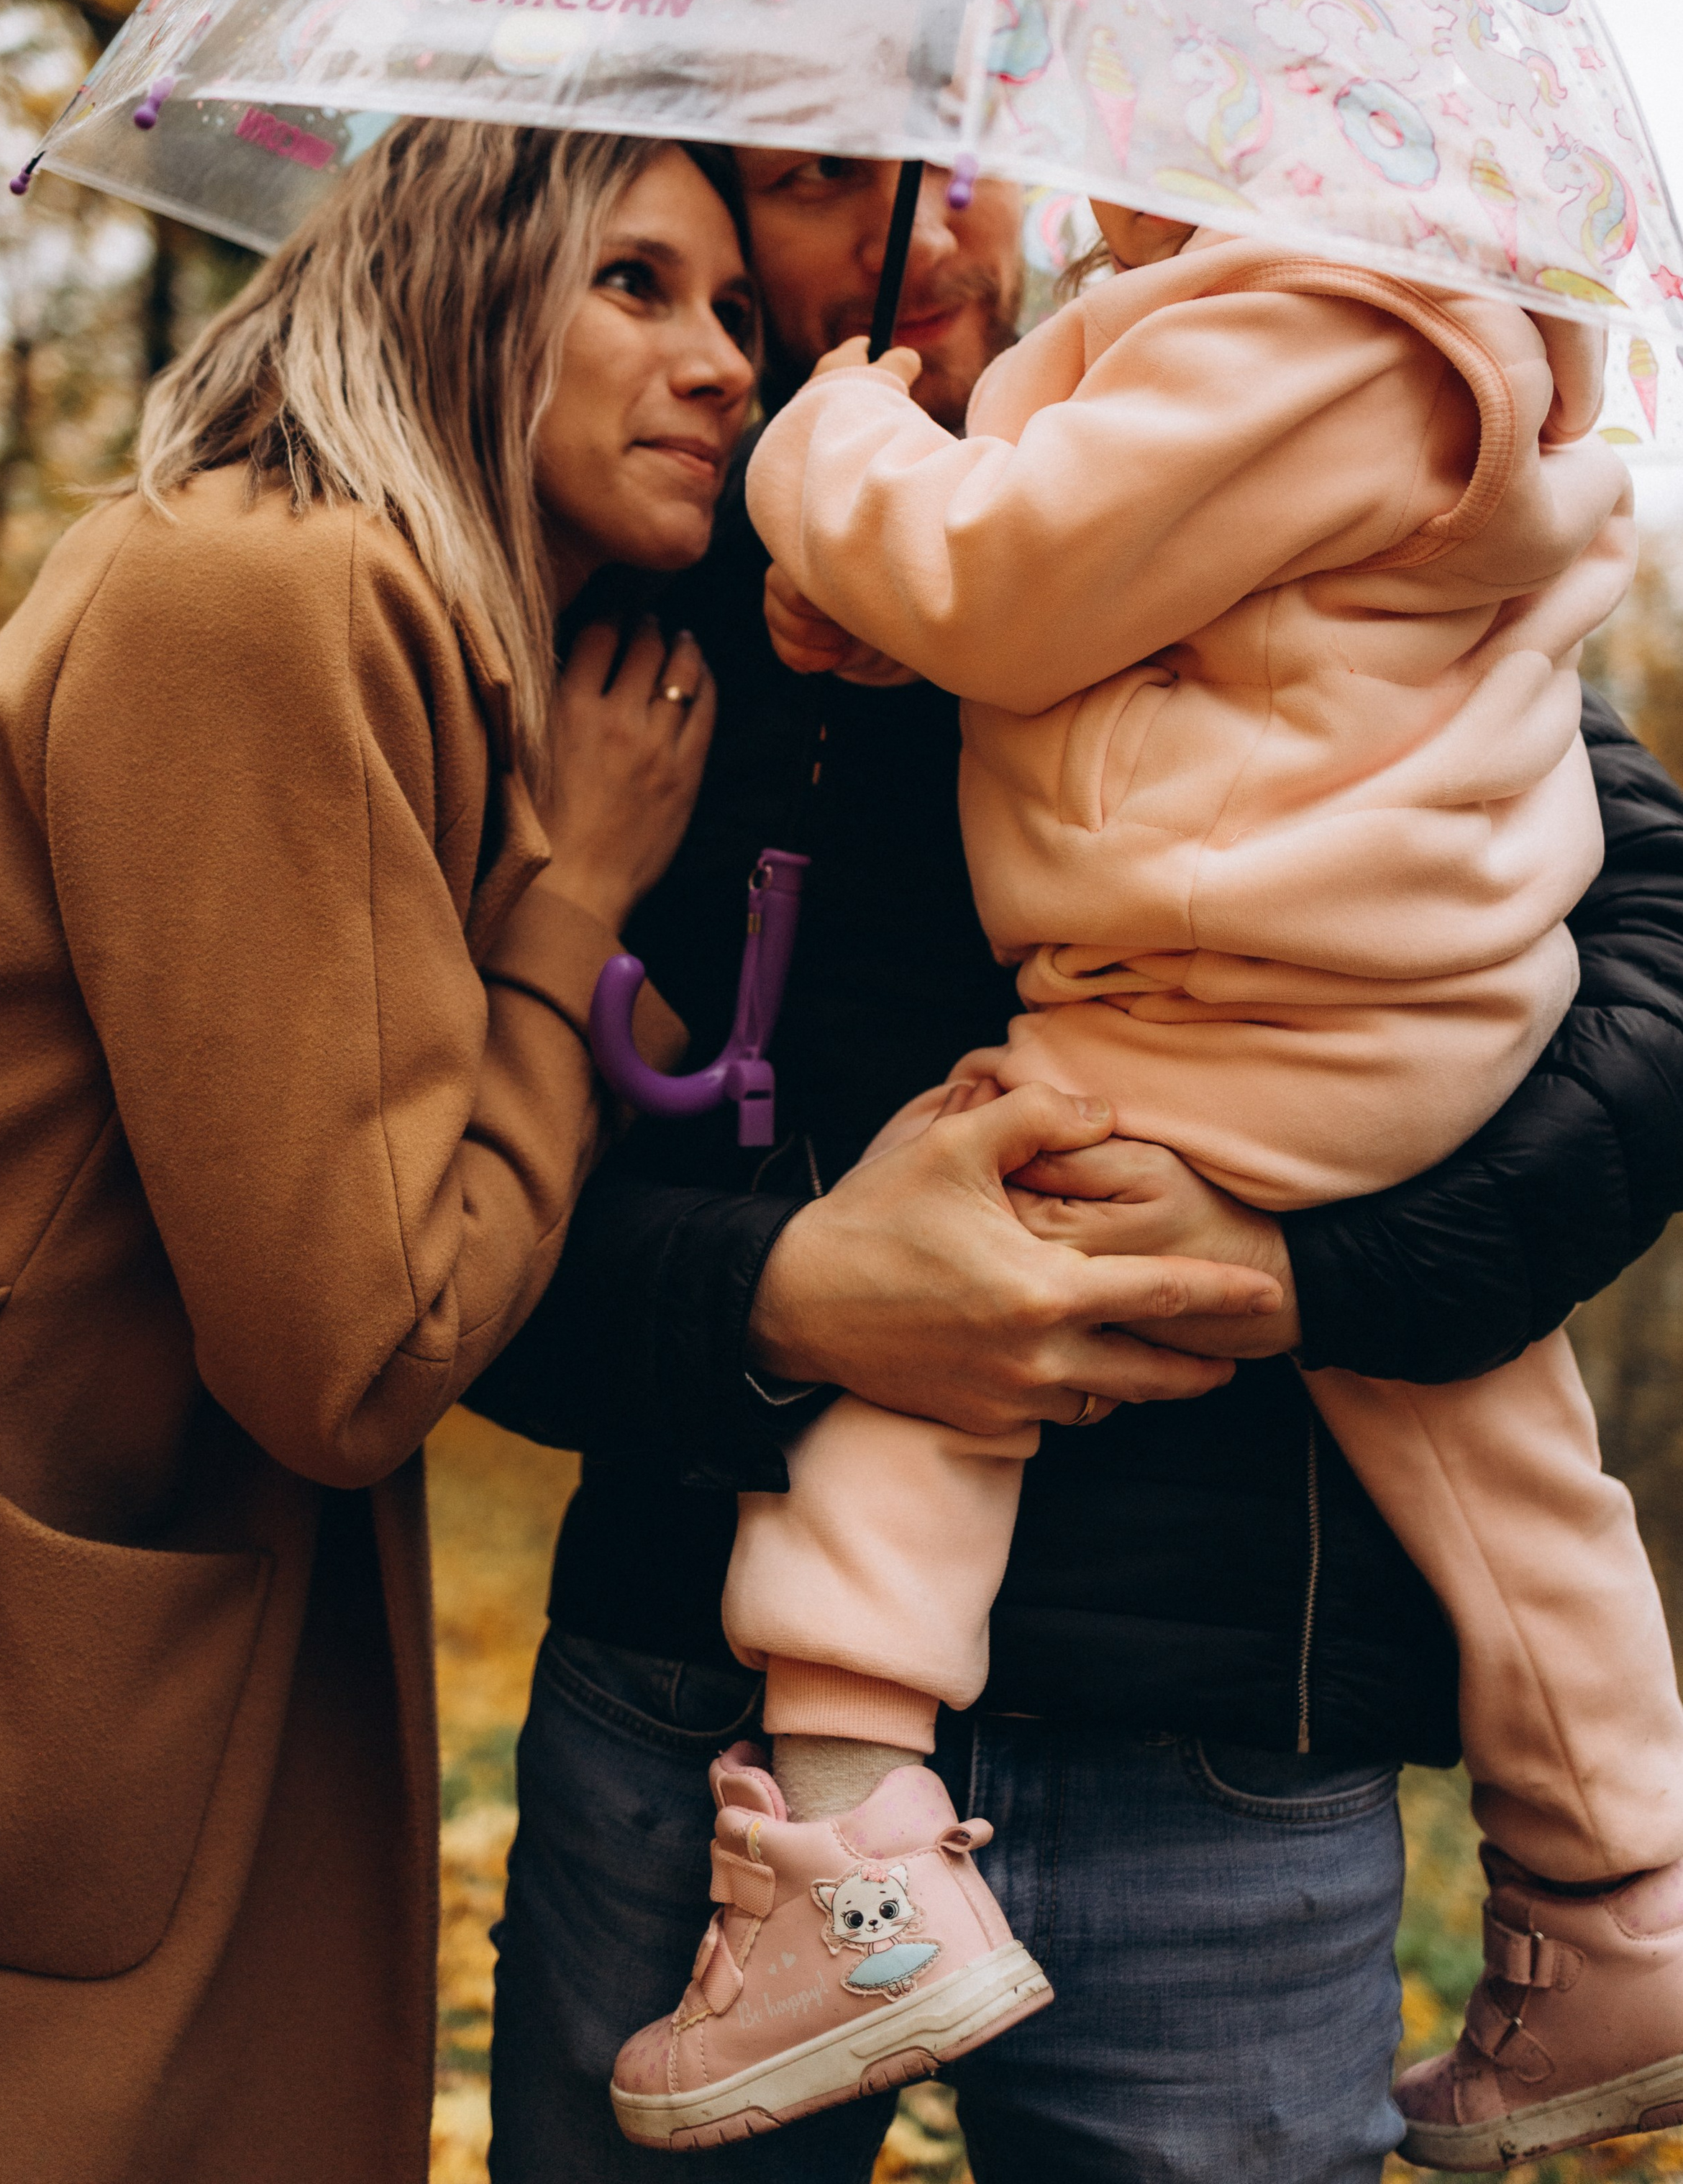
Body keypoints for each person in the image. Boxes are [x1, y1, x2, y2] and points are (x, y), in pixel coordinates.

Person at [473, 151, 1683, 2183]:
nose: (929, 229)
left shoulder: (1298, 498)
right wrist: (786, 1300)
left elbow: (1642, 1003)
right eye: (817, 186)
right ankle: (1615, 1892)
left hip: (1229, 1728)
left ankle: (1616, 1904)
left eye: (967, 176)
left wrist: (1321, 1274)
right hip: (698, 1704)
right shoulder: (625, 621)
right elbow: (435, 1235)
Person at [0, 117, 758, 2184]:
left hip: (75, 1590)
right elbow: (359, 1340)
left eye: (740, 313)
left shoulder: (381, 623)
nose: (723, 362)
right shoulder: (267, 594)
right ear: (458, 279)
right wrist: (576, 924)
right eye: (637, 284)